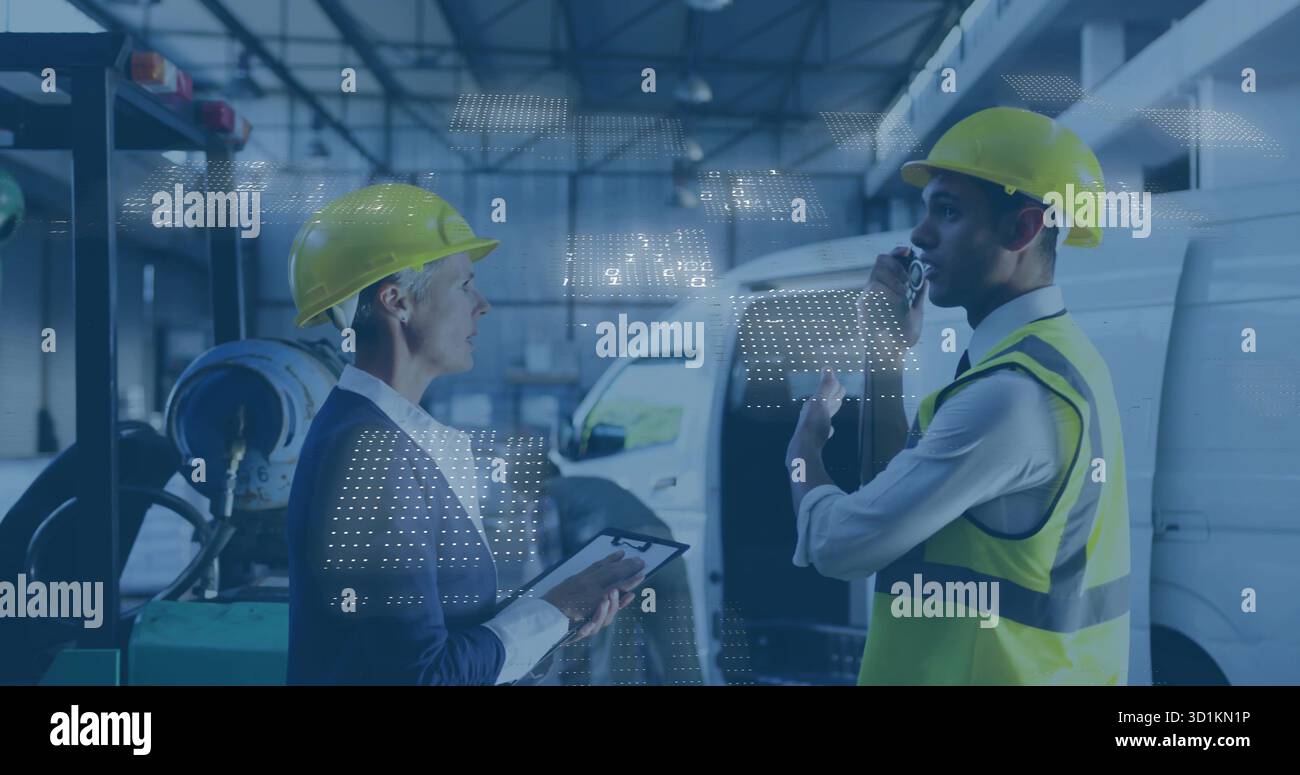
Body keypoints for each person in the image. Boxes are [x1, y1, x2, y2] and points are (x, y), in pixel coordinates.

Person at [786, 107, 1131, 685]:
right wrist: (887, 357)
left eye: (947, 211)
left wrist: (803, 453)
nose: (919, 235)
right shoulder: (1059, 361)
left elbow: (841, 545)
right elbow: (896, 507)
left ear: (1022, 228)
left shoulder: (1009, 398)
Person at [285, 184, 644, 685]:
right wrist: (556, 611)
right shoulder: (373, 453)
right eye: (464, 285)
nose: (483, 305)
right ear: (398, 303)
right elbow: (422, 677)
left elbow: (443, 642)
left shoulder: (386, 434)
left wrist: (555, 619)